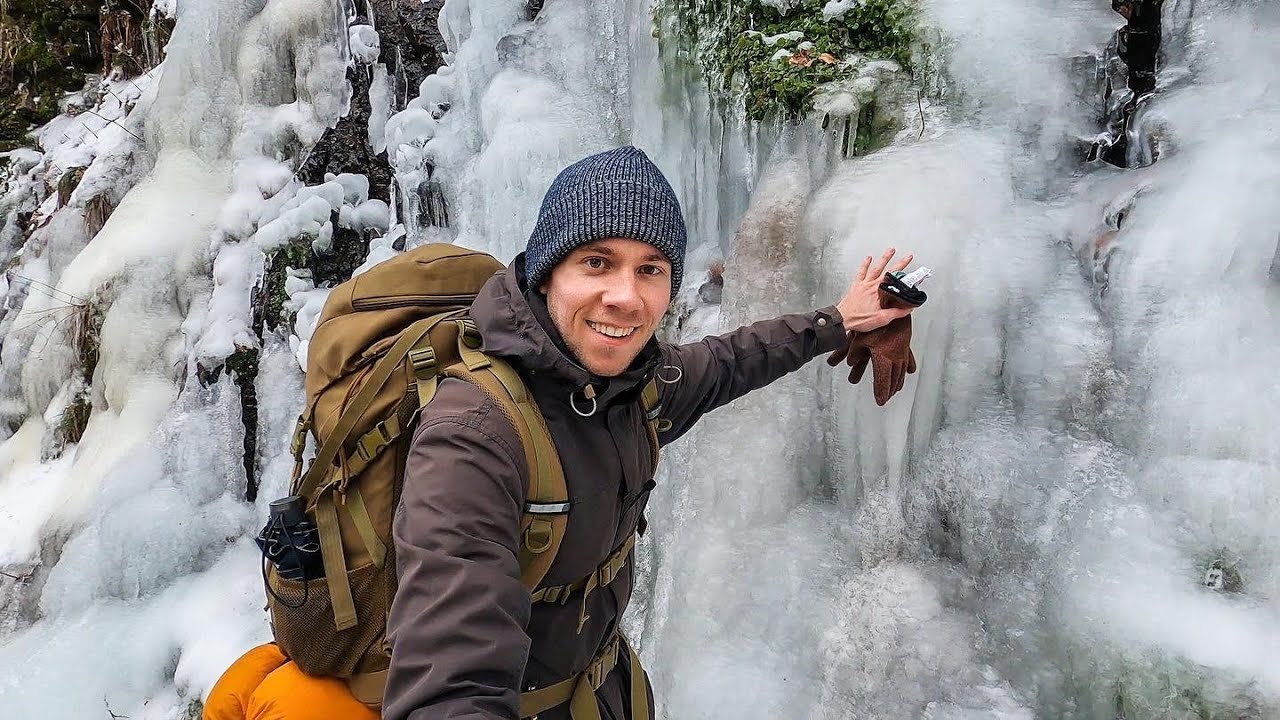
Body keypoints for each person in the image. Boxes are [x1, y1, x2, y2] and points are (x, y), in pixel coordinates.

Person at [383, 146, 917, 720]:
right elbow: (450, 677)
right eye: (596, 262)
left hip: (603, 689)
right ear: (546, 274)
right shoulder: (473, 435)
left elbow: (734, 359)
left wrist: (837, 322)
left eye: (650, 270)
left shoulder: (637, 387)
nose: (626, 297)